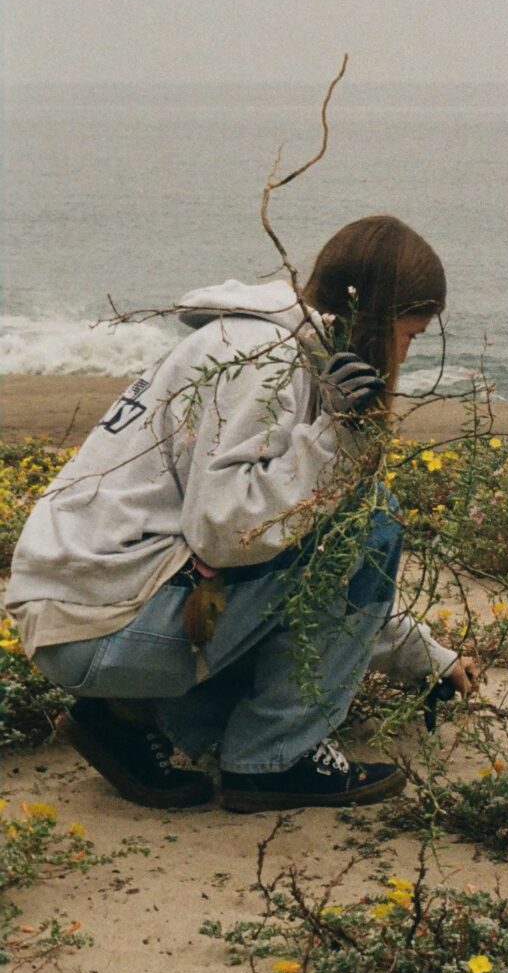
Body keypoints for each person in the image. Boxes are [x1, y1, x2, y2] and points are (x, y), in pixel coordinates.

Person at [5, 215, 477, 813]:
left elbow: (299, 565)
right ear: (377, 323)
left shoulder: (254, 345)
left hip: (83, 613)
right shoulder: (266, 359)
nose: (404, 356)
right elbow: (228, 531)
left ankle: (126, 715)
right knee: (373, 515)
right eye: (408, 337)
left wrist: (423, 657)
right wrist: (336, 437)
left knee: (329, 529)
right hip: (102, 626)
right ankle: (276, 761)